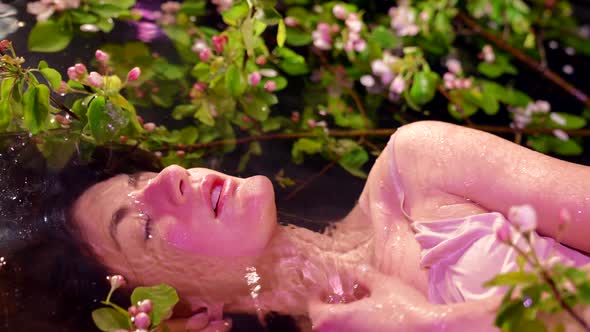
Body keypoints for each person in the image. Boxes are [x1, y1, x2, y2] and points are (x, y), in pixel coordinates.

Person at [3, 120, 590, 331]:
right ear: (178, 307)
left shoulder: (418, 169)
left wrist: (431, 324)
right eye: (143, 228)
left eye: (147, 176)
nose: (171, 178)